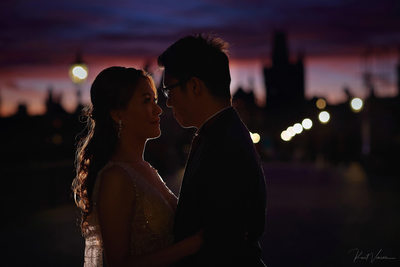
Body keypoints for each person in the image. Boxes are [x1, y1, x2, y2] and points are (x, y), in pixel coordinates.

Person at [72, 66, 202, 267]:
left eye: (155, 100)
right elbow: (118, 263)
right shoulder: (115, 177)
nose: (158, 110)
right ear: (118, 114)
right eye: (146, 101)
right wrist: (193, 245)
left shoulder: (144, 168)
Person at [158, 34, 267, 266]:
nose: (167, 101)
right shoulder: (221, 134)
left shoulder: (224, 145)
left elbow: (221, 241)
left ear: (195, 86)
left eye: (169, 90)